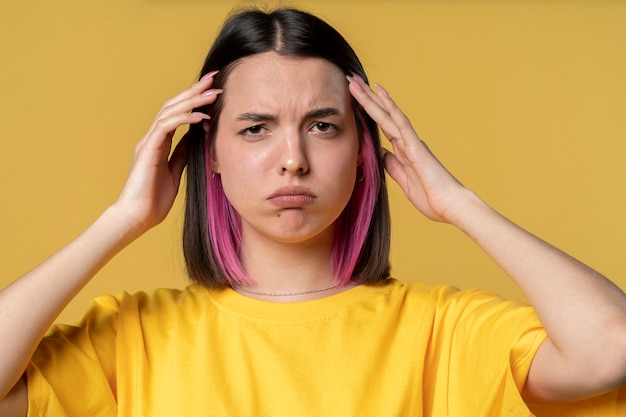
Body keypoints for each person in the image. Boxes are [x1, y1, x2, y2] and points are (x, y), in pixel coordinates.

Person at [0, 7, 625, 416]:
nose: (292, 160)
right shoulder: (131, 338)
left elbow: (611, 349)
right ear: (207, 154)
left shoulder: (443, 332)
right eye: (255, 128)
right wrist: (121, 219)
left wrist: (459, 205)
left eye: (323, 126)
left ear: (363, 152)